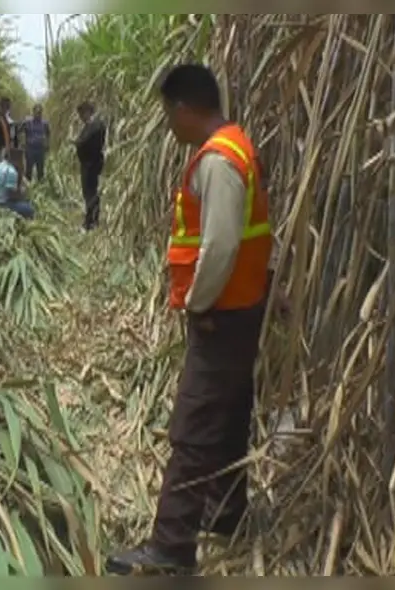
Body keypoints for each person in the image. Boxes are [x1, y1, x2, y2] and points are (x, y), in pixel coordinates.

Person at [105, 64, 273, 576]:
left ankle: (171, 546)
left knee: (194, 426)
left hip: (221, 315)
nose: (169, 127)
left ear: (183, 109)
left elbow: (220, 245)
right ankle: (224, 514)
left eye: (168, 115)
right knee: (228, 414)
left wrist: (198, 304)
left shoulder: (218, 161)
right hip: (244, 306)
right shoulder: (239, 145)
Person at [73, 101, 106, 231]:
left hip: (91, 164)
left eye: (82, 113)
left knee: (90, 192)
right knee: (90, 192)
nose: (80, 117)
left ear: (88, 111)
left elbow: (84, 141)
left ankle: (89, 222)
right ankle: (93, 220)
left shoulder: (96, 125)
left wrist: (77, 142)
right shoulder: (90, 125)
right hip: (88, 163)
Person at [0, 147, 35, 219]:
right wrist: (24, 191)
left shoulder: (1, 165)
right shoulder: (11, 172)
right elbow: (13, 196)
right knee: (29, 210)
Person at [21, 104, 51, 182]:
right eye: (36, 112)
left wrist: (47, 144)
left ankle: (40, 189)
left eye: (40, 112)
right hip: (30, 149)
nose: (38, 114)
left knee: (40, 171)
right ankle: (28, 189)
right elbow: (20, 131)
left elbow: (48, 134)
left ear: (42, 113)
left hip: (40, 149)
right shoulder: (28, 122)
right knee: (28, 171)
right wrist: (22, 143)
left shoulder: (45, 123)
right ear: (33, 112)